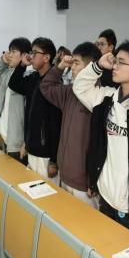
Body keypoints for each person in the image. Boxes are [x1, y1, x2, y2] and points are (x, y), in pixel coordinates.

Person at [73, 40, 129, 241]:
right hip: (106, 198)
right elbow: (80, 87)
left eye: (121, 62)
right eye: (115, 61)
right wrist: (98, 65)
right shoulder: (107, 98)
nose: (115, 66)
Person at [40, 42, 102, 207]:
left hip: (84, 183)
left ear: (90, 67)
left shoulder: (99, 97)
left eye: (76, 63)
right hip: (65, 174)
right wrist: (59, 67)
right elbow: (46, 87)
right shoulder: (70, 91)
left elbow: (101, 146)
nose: (72, 67)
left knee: (84, 223)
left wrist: (93, 180)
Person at [9, 37, 62, 180]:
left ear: (46, 58)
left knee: (46, 191)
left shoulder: (54, 84)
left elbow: (56, 124)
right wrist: (22, 65)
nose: (30, 56)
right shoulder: (34, 78)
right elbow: (14, 84)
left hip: (46, 153)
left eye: (34, 53)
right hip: (32, 147)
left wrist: (54, 160)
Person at [0, 37, 31, 161]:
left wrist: (26, 142)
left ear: (24, 55)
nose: (10, 55)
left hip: (17, 140)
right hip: (5, 134)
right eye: (9, 51)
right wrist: (2, 60)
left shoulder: (28, 76)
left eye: (13, 52)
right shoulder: (9, 72)